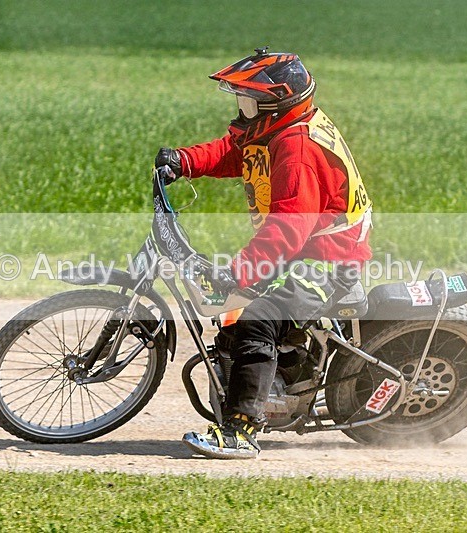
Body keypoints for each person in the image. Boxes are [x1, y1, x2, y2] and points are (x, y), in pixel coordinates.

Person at [155, 48, 373, 459]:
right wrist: (184, 161)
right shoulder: (275, 133)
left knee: (256, 319)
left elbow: (288, 229)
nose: (241, 110)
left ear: (276, 105)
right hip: (305, 252)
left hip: (327, 261)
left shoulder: (299, 150)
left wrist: (240, 271)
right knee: (234, 308)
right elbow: (237, 154)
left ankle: (240, 432)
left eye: (248, 102)